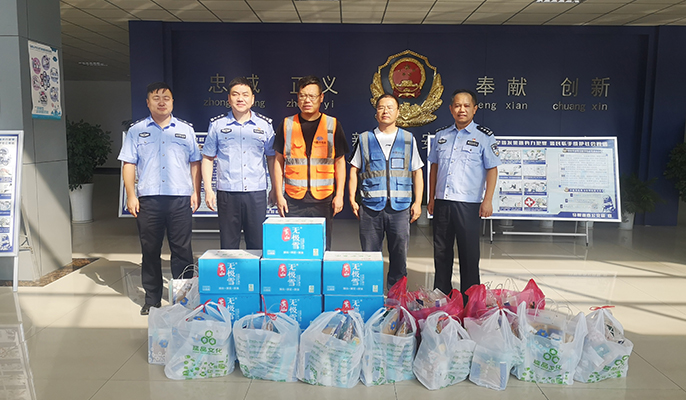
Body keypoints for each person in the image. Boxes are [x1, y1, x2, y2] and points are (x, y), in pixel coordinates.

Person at [119, 82, 202, 315]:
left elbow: (195, 162)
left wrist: (196, 192)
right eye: (156, 98)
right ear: (148, 103)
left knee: (182, 251)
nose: (162, 102)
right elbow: (129, 164)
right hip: (149, 200)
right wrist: (131, 195)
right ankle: (152, 298)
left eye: (166, 97)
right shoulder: (136, 130)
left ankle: (184, 299)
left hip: (179, 199)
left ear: (173, 102)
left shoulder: (185, 130)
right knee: (150, 251)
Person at [427, 89, 501, 297]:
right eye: (457, 105)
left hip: (468, 204)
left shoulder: (484, 137)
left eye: (467, 106)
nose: (462, 109)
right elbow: (434, 168)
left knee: (469, 254)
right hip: (443, 202)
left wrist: (487, 200)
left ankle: (470, 300)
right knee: (441, 252)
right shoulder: (441, 136)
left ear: (474, 109)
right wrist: (431, 198)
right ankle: (442, 296)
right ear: (451, 109)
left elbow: (492, 169)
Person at [348, 94, 424, 289]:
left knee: (399, 256)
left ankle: (396, 298)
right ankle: (370, 294)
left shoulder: (408, 139)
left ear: (398, 112)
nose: (385, 111)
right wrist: (352, 199)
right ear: (376, 113)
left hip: (400, 208)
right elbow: (354, 170)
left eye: (390, 107)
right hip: (370, 208)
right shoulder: (365, 139)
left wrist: (418, 203)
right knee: (369, 256)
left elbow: (417, 172)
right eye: (381, 107)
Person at [273, 75, 349, 250]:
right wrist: (279, 195)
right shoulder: (287, 124)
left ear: (321, 97)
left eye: (312, 96)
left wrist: (339, 195)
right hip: (293, 199)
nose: (307, 100)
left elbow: (340, 163)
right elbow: (278, 161)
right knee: (294, 247)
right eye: (302, 96)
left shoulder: (332, 125)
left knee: (321, 246)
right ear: (297, 98)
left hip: (323, 199)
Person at [202, 77, 275, 249]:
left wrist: (274, 188)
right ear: (229, 99)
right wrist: (208, 190)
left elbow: (271, 158)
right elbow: (207, 158)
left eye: (245, 95)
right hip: (227, 193)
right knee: (228, 245)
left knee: (257, 244)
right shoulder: (217, 125)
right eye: (235, 95)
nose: (240, 99)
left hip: (256, 193)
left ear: (252, 99)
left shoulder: (264, 125)